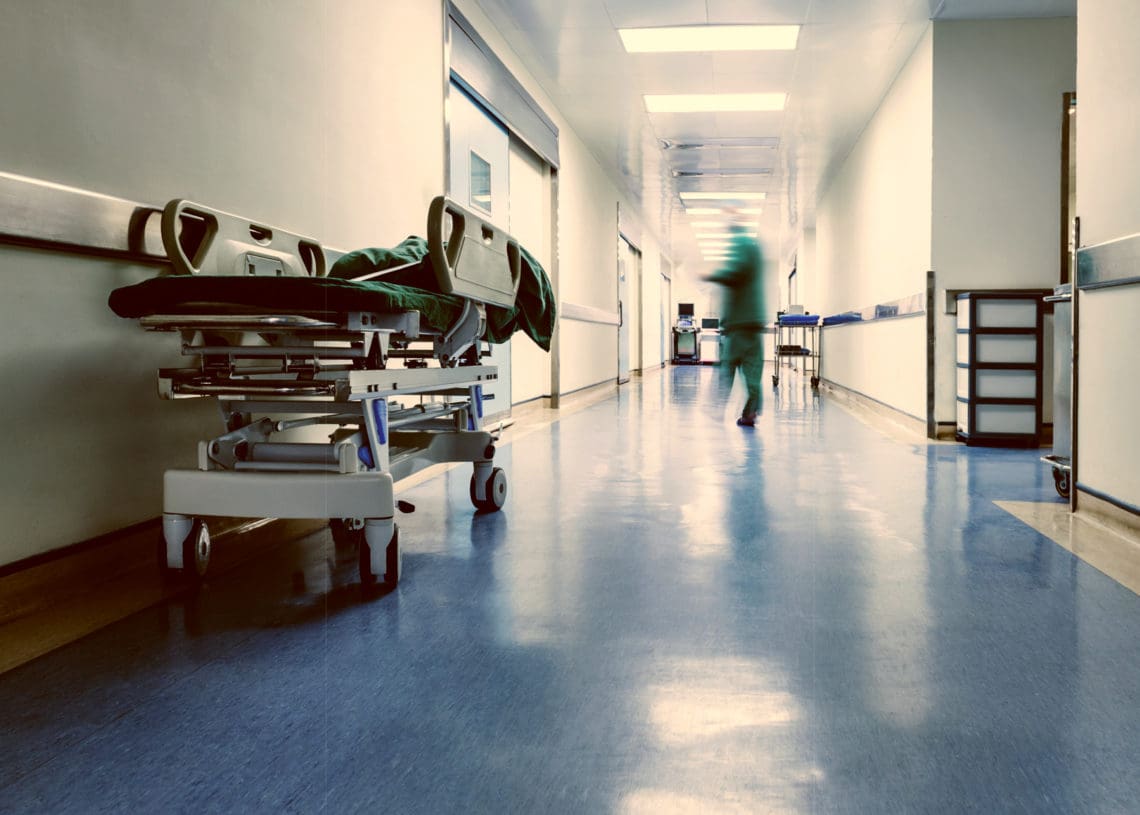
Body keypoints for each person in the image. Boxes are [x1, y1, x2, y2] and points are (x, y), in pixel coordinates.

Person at [704, 217, 766, 427]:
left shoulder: (740, 242)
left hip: (740, 322)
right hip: (753, 321)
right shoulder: (755, 248)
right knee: (753, 370)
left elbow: (735, 272)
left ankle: (717, 406)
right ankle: (750, 413)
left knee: (728, 365)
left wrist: (711, 275)